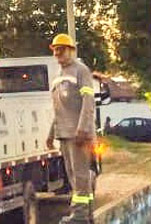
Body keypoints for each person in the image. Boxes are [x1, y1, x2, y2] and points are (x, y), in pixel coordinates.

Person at [46, 33, 95, 224]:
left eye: (61, 49)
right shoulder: (58, 75)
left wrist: (82, 129)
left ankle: (80, 216)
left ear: (71, 50)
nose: (57, 53)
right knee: (73, 177)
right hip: (64, 134)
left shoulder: (81, 70)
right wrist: (51, 134)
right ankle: (86, 214)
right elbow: (59, 109)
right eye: (55, 50)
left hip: (78, 134)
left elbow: (88, 102)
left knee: (80, 176)